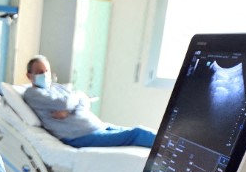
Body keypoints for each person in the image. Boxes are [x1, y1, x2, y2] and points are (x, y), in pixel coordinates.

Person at [23, 55, 155, 148]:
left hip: (97, 126)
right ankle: (172, 149)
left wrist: (71, 108)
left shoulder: (56, 87)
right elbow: (64, 103)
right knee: (138, 133)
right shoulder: (33, 94)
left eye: (47, 71)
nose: (45, 75)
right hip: (79, 136)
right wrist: (74, 102)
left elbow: (84, 100)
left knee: (137, 132)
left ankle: (171, 147)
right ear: (29, 75)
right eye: (40, 72)